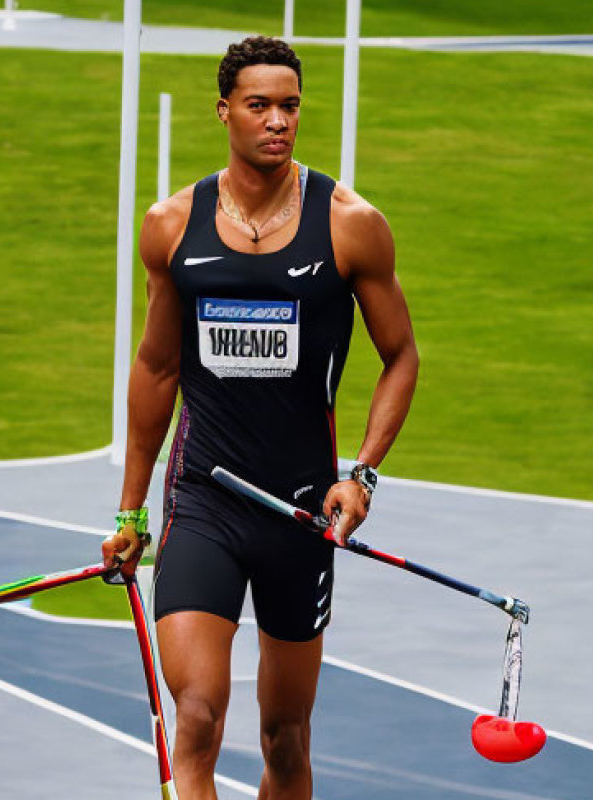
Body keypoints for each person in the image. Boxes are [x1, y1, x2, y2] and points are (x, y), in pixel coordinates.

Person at [102, 36, 418, 800]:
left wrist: (362, 477)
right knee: (199, 717)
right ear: (224, 113)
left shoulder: (351, 224)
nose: (278, 121)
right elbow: (156, 369)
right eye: (260, 106)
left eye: (291, 106)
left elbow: (401, 356)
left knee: (284, 737)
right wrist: (130, 510)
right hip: (204, 501)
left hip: (301, 511)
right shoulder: (172, 225)